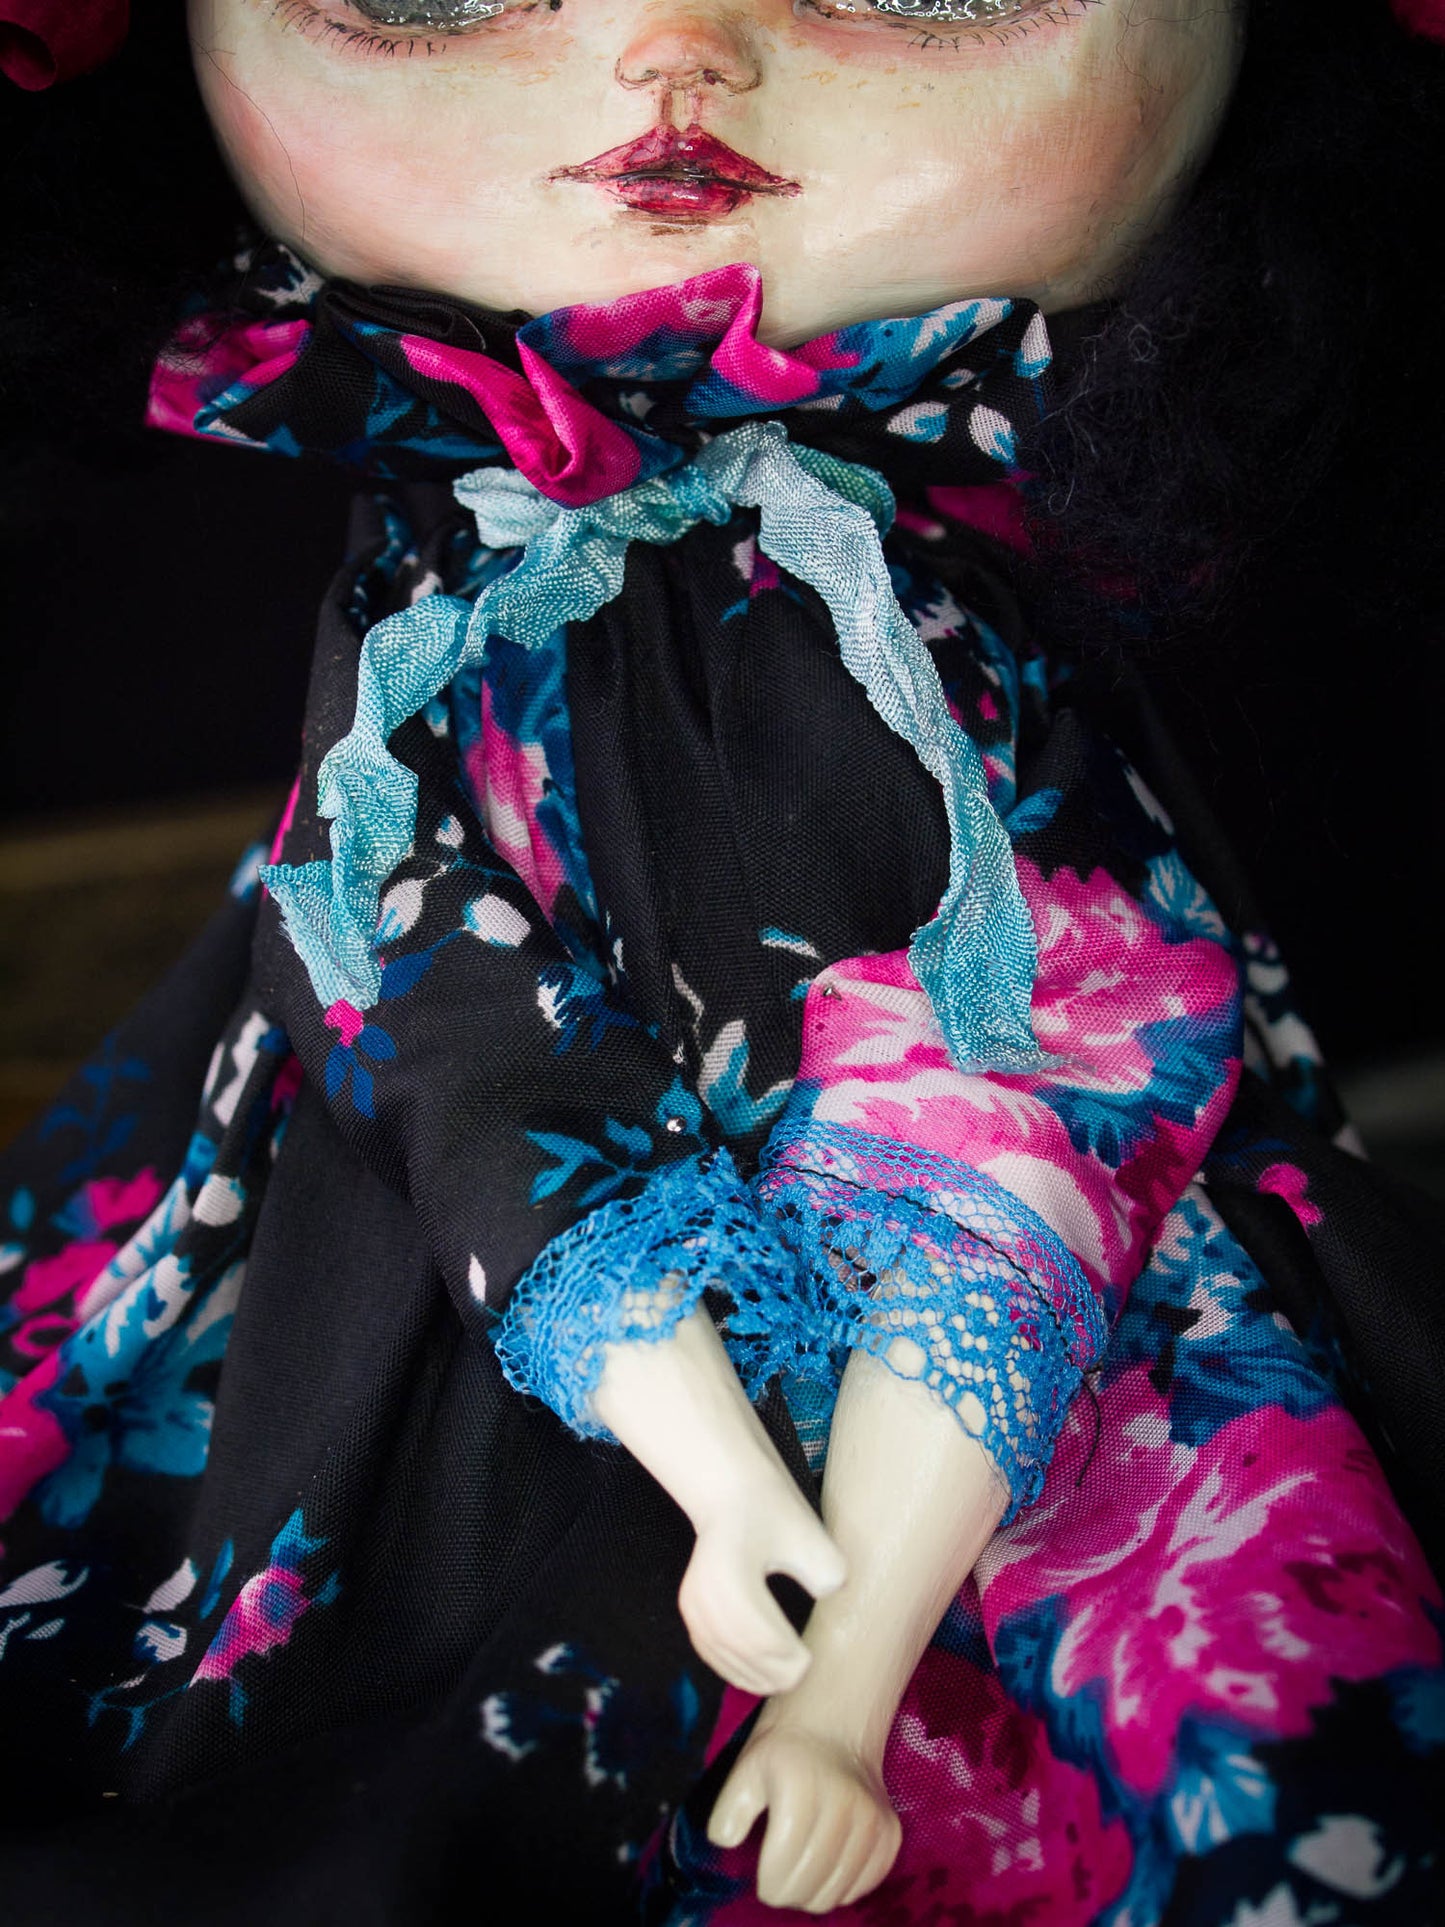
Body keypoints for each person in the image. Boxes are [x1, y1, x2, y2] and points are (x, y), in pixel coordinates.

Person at [0, 0, 1442, 1920]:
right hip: (434, 1266)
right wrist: (705, 1448)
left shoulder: (910, 617)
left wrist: (846, 1669)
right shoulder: (446, 574)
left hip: (1013, 1327)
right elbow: (413, 999)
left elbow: (1049, 1086)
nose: (671, 47)